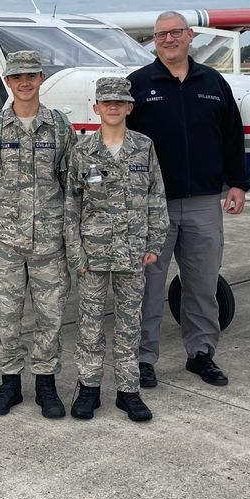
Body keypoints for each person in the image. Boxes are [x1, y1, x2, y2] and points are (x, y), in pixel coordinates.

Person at [127, 12, 250, 388]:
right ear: (154, 40)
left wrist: (238, 183)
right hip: (153, 203)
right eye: (161, 34)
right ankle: (144, 358)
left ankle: (201, 353)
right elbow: (122, 141)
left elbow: (233, 135)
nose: (168, 39)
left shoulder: (213, 82)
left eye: (175, 32)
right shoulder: (138, 83)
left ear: (190, 36)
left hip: (202, 202)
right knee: (148, 284)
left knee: (201, 282)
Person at [0, 50, 76, 418]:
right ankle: (10, 383)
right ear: (8, 82)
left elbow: (70, 180)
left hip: (50, 241)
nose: (25, 82)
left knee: (50, 315)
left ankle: (46, 384)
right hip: (7, 243)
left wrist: (60, 225)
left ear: (41, 78)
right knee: (7, 314)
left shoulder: (60, 126)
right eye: (17, 77)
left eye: (31, 75)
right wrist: (1, 217)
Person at [64, 76, 168, 422]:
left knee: (128, 324)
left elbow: (156, 196)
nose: (112, 107)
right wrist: (76, 254)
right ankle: (89, 389)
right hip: (93, 256)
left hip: (133, 252)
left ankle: (128, 391)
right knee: (90, 325)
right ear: (95, 107)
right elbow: (71, 207)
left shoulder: (144, 146)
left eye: (119, 102)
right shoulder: (81, 152)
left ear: (129, 107)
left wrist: (154, 242)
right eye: (106, 102)